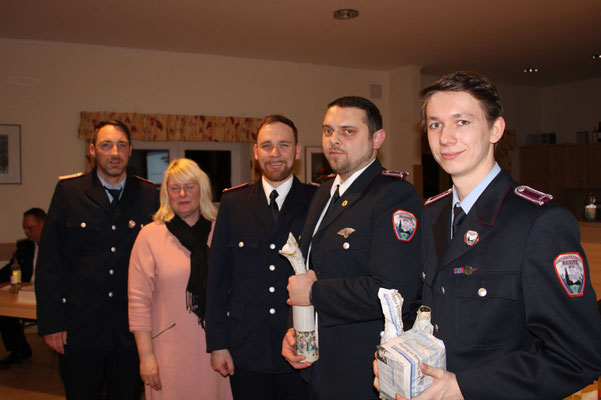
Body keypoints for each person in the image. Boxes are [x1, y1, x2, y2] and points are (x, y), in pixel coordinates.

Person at [374, 71, 601, 400]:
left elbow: (578, 355)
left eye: (462, 122)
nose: (446, 138)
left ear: (496, 129)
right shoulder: (430, 214)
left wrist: (464, 387)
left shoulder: (539, 221)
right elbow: (422, 311)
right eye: (435, 124)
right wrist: (396, 363)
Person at [282, 96, 423, 399]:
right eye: (328, 131)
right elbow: (308, 269)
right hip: (320, 366)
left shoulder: (394, 196)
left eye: (348, 131)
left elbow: (393, 291)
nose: (334, 140)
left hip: (362, 371)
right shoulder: (322, 194)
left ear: (377, 139)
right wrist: (297, 331)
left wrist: (314, 293)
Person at [35, 120, 159, 399]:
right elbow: (49, 262)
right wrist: (52, 322)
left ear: (130, 151)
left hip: (131, 330)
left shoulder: (149, 194)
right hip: (80, 327)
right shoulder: (69, 192)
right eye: (106, 145)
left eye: (121, 146)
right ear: (92, 150)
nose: (114, 152)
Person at [205, 115, 316, 400]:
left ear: (298, 150)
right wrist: (218, 344)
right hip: (247, 347)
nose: (275, 154)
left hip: (302, 346)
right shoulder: (233, 202)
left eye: (283, 145)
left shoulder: (317, 200)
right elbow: (217, 280)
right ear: (255, 152)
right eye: (267, 146)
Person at [128, 158, 232, 399]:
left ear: (202, 190)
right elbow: (138, 303)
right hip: (168, 354)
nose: (182, 194)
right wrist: (146, 357)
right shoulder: (150, 236)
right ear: (166, 194)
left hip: (217, 350)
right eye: (175, 188)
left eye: (189, 186)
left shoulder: (221, 231)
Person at [0, 207, 46, 368]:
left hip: (48, 293)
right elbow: (10, 269)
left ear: (43, 224)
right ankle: (19, 349)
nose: (27, 232)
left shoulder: (59, 244)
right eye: (24, 229)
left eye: (30, 228)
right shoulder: (25, 247)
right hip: (27, 291)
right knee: (5, 308)